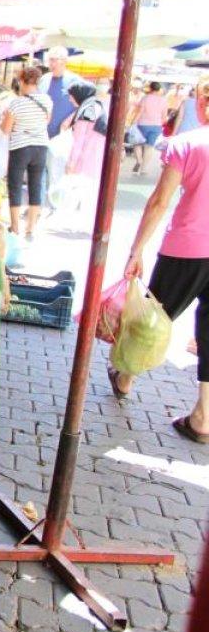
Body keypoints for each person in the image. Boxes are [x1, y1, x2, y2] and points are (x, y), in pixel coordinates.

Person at [118, 125, 209, 444]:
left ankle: (126, 377)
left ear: (202, 102)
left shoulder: (187, 144)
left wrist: (136, 249)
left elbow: (159, 201)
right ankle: (203, 416)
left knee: (153, 316)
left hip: (187, 248)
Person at [0, 67, 52, 240]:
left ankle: (15, 226)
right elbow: (46, 122)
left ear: (21, 81)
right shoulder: (47, 101)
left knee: (15, 185)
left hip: (20, 147)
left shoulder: (16, 103)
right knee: (35, 185)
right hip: (41, 147)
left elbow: (6, 129)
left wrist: (4, 119)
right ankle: (31, 227)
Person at [38, 47, 88, 209]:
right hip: (42, 131)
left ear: (64, 61)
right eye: (49, 60)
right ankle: (39, 203)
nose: (51, 64)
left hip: (63, 134)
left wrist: (70, 119)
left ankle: (57, 202)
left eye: (54, 60)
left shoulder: (76, 81)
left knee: (57, 168)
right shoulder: (44, 79)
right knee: (40, 167)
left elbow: (86, 104)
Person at [63, 82, 107, 213]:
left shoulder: (89, 109)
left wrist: (71, 162)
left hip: (88, 155)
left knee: (84, 190)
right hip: (95, 154)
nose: (70, 99)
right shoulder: (94, 104)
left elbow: (79, 139)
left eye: (71, 96)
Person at [128, 81, 168, 172]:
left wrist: (133, 123)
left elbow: (140, 112)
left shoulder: (145, 98)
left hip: (142, 124)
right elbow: (164, 116)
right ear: (159, 89)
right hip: (156, 125)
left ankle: (139, 160)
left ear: (150, 88)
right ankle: (144, 168)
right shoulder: (163, 100)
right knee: (149, 147)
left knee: (137, 143)